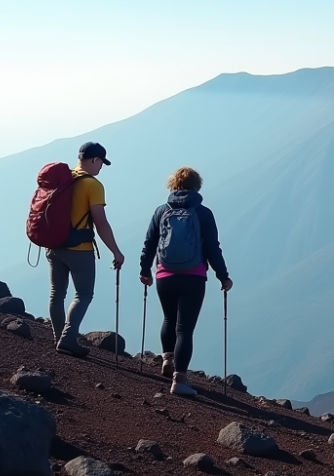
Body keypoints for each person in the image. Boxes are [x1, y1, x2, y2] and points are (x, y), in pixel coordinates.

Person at [139, 167, 232, 397]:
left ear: (173, 185)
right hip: (194, 276)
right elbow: (212, 248)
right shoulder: (203, 213)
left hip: (164, 275)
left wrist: (145, 270)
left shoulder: (161, 211)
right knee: (185, 329)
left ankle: (167, 360)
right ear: (196, 186)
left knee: (169, 318)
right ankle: (179, 380)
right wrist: (223, 276)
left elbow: (149, 243)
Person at [48, 141, 124, 356]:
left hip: (54, 246)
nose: (101, 168)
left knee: (56, 294)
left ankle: (58, 337)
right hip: (79, 249)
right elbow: (100, 222)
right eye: (101, 163)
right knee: (83, 294)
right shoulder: (93, 185)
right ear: (93, 160)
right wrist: (116, 251)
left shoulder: (63, 179)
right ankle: (68, 339)